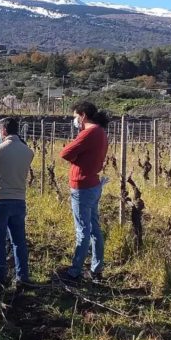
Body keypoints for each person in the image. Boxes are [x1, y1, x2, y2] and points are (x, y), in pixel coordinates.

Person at [59, 101, 109, 282]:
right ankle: (96, 269)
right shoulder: (100, 132)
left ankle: (75, 271)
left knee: (83, 230)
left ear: (83, 115)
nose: (74, 120)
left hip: (82, 185)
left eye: (75, 116)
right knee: (95, 229)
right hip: (94, 184)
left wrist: (75, 158)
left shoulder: (89, 133)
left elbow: (65, 153)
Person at [0, 117, 34, 290]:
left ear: (3, 130)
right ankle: (23, 276)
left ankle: (0, 278)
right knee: (19, 241)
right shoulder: (28, 151)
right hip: (19, 200)